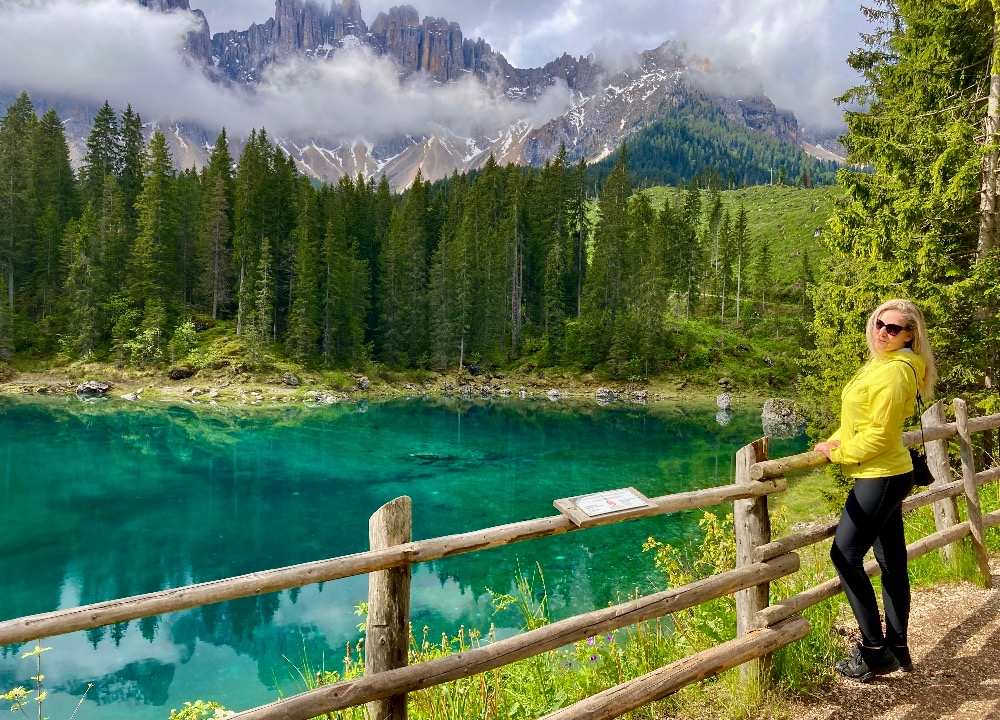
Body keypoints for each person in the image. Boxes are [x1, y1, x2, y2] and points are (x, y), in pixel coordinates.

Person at [813, 299, 938, 682]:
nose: (883, 332)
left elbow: (881, 434)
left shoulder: (895, 372)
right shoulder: (882, 365)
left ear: (910, 335)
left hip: (881, 476)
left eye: (894, 328)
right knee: (891, 563)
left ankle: (873, 649)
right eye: (880, 324)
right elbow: (858, 422)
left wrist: (839, 455)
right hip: (887, 474)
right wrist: (832, 443)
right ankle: (897, 646)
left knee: (844, 555)